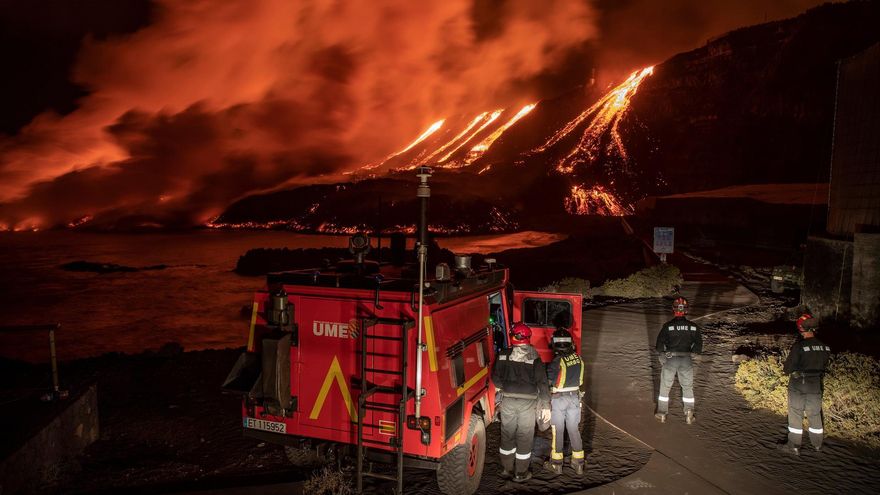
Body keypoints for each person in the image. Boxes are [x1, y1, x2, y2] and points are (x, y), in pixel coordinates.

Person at [492, 322, 551, 482]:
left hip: (508, 401)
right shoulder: (535, 357)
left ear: (513, 337)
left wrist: (505, 387)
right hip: (528, 404)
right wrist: (546, 406)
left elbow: (495, 378)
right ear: (528, 337)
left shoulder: (503, 355)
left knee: (507, 434)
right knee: (525, 436)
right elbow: (543, 383)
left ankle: (507, 469)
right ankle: (521, 473)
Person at [778, 313, 830, 456]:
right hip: (815, 384)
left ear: (801, 328)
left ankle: (794, 446)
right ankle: (818, 445)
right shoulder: (825, 347)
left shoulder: (799, 347)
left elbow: (787, 369)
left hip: (798, 384)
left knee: (796, 413)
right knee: (814, 414)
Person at [542, 327, 585, 476]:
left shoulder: (557, 361)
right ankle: (578, 463)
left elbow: (548, 382)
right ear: (571, 344)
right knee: (573, 429)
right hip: (574, 398)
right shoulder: (578, 359)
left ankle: (556, 464)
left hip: (559, 399)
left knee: (558, 430)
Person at [655, 296, 702, 424]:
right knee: (687, 386)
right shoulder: (693, 327)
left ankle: (662, 413)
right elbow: (698, 347)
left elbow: (659, 346)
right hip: (686, 359)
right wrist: (692, 355)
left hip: (671, 359)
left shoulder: (668, 326)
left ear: (673, 310)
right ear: (686, 310)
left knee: (665, 387)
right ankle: (689, 412)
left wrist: (662, 356)